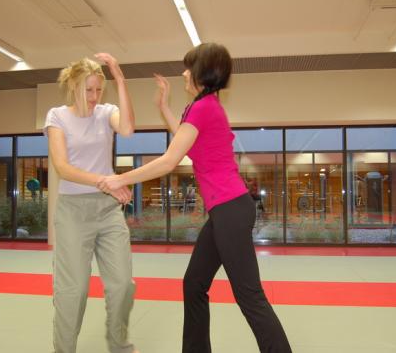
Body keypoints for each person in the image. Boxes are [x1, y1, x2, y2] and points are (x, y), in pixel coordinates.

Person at [98, 43, 292, 353]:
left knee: (249, 296)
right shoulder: (204, 106)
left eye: (189, 67)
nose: (184, 73)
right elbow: (186, 140)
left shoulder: (204, 108)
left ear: (203, 73)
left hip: (230, 209)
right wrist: (164, 106)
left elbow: (169, 160)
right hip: (224, 211)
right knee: (194, 284)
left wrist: (117, 179)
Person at [44, 54, 139, 353]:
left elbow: (127, 129)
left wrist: (120, 79)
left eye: (99, 89)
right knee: (74, 291)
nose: (95, 96)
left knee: (123, 284)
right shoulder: (57, 116)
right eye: (89, 90)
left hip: (108, 209)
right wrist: (107, 181)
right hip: (73, 210)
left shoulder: (106, 112)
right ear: (73, 86)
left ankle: (118, 343)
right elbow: (63, 167)